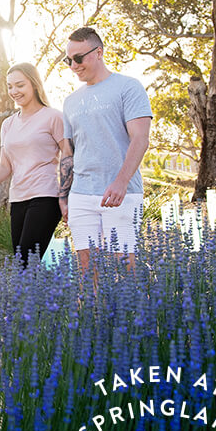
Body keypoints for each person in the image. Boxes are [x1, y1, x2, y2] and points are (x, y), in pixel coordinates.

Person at [57, 27, 152, 279]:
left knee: (125, 268)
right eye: (68, 60)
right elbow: (68, 152)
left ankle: (135, 307)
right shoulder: (70, 102)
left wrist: (121, 182)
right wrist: (63, 196)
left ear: (99, 52)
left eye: (79, 58)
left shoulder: (128, 87)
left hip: (121, 194)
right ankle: (93, 307)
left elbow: (140, 139)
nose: (73, 66)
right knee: (87, 272)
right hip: (81, 194)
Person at [0, 62, 66, 268]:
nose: (14, 91)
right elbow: (5, 166)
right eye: (10, 86)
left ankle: (40, 291)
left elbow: (69, 156)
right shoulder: (8, 124)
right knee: (23, 264)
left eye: (20, 85)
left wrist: (66, 195)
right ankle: (42, 290)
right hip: (18, 198)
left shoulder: (53, 117)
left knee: (25, 262)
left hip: (46, 195)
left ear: (34, 84)